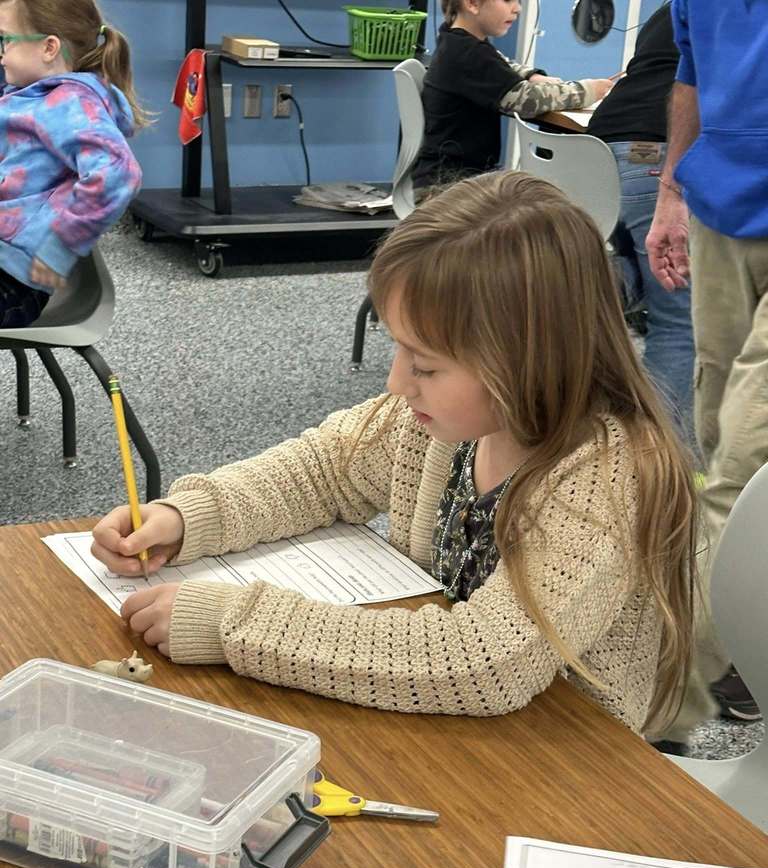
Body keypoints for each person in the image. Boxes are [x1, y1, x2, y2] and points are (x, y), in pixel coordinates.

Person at [92, 171, 696, 738]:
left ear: (527, 361)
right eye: (399, 349)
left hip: (562, 755)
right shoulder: (445, 420)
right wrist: (189, 518)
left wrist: (235, 622)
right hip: (439, 718)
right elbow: (323, 469)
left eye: (426, 364)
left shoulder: (610, 474)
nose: (396, 381)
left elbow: (486, 661)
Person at [646, 0, 768, 733]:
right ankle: (741, 636)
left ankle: (674, 687)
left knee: (746, 458)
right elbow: (691, 78)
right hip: (721, 209)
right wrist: (670, 192)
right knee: (717, 436)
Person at [588, 1, 696, 454]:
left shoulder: (672, 10)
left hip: (596, 148)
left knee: (626, 279)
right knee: (678, 320)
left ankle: (564, 301)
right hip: (650, 155)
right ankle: (657, 456)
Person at [0, 0, 144, 329]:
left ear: (49, 47)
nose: (1, 52)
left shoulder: (70, 104)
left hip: (11, 281)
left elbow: (118, 174)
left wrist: (60, 247)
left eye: (5, 39)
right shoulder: (29, 95)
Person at [411, 0, 613, 191]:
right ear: (472, 3)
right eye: (508, 0)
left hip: (451, 176)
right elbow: (526, 100)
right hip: (448, 186)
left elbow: (500, 64)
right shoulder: (468, 53)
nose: (517, 9)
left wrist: (531, 75)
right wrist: (588, 90)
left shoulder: (456, 39)